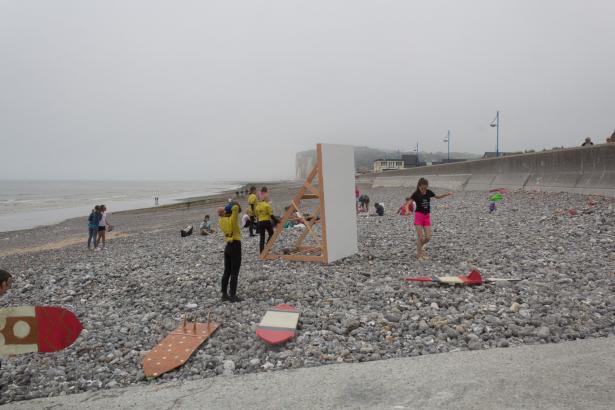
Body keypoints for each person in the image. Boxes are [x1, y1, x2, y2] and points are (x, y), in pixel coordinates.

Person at [410, 178, 452, 260]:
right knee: (421, 237)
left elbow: (438, 197)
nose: (424, 190)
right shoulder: (415, 194)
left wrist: (446, 194)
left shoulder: (429, 192)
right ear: (419, 186)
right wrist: (407, 210)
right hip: (418, 216)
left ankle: (419, 247)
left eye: (425, 188)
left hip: (426, 216)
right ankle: (419, 255)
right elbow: (408, 202)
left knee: (428, 238)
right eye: (422, 188)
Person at [218, 202, 242, 302]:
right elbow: (236, 208)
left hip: (228, 246)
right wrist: (231, 204)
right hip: (236, 245)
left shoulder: (221, 220)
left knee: (226, 271)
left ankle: (224, 294)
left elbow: (233, 210)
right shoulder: (233, 219)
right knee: (234, 273)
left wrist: (226, 207)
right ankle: (233, 296)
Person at [255, 187, 274, 254]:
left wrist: (257, 224)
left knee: (262, 237)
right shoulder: (266, 204)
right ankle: (267, 246)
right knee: (272, 234)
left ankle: (261, 252)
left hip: (260, 221)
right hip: (266, 221)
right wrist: (276, 220)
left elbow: (257, 216)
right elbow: (271, 215)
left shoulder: (257, 206)